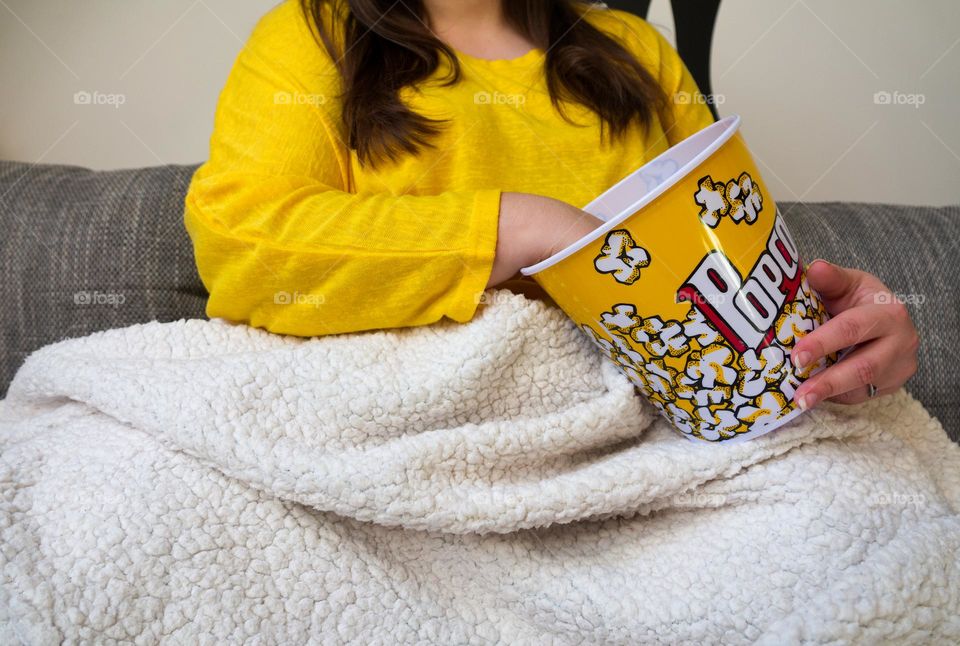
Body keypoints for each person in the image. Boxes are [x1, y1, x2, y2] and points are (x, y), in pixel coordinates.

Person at [184, 0, 918, 410]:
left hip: (641, 436)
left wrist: (837, 345)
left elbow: (727, 285)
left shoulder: (636, 52)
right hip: (411, 428)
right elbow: (241, 242)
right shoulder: (311, 36)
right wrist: (521, 226)